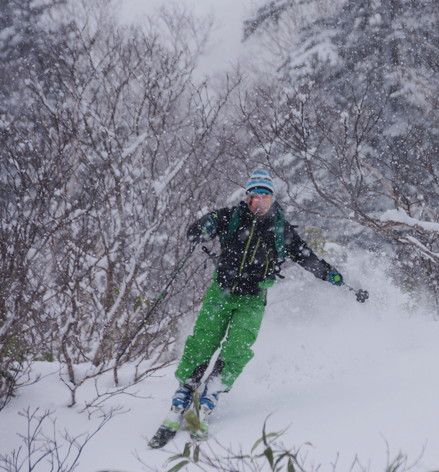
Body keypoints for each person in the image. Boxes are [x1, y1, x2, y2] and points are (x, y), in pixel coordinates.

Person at [149, 169, 363, 447]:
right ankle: (184, 393)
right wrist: (201, 230)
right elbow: (199, 228)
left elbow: (307, 258)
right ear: (247, 197)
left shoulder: (281, 230)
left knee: (237, 348)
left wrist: (334, 277)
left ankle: (210, 397)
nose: (260, 201)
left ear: (272, 199)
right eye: (255, 195)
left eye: (265, 196)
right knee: (203, 341)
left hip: (253, 298)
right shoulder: (229, 217)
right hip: (221, 293)